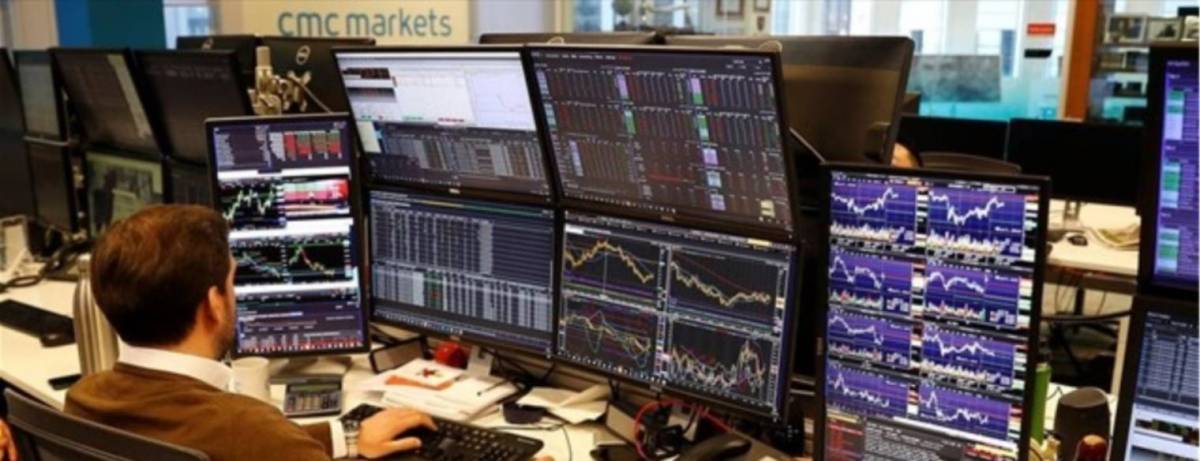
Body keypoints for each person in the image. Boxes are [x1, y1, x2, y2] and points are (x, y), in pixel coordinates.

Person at [65, 205, 434, 461]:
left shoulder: (85, 400)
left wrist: (346, 437)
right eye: (232, 281)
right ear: (214, 304)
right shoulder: (248, 428)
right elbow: (260, 442)